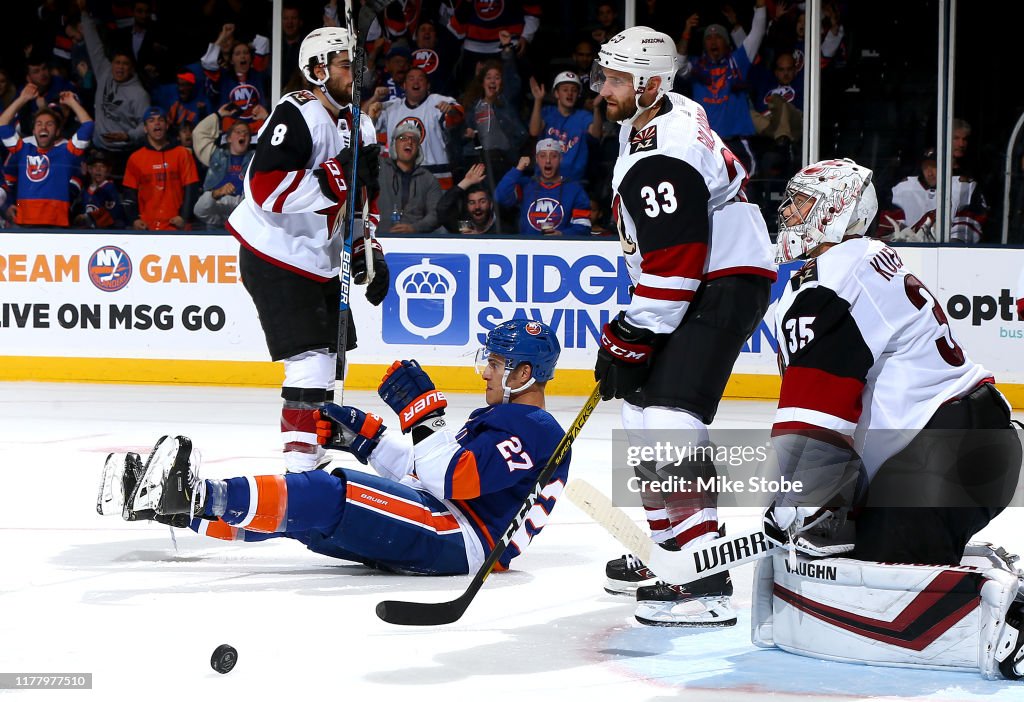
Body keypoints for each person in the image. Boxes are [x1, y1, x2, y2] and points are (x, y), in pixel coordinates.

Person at [755, 157, 1024, 681]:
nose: (787, 211)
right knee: (854, 559)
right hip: (968, 445)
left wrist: (790, 505)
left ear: (835, 211)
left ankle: (1012, 614)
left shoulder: (831, 283)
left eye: (802, 201)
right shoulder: (859, 264)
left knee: (881, 597)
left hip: (941, 457)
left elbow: (816, 418)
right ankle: (991, 580)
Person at [99, 319, 571, 578]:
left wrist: (424, 414)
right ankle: (174, 509)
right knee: (302, 514)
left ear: (523, 373)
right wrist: (369, 439)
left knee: (324, 493)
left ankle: (197, 495)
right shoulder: (513, 421)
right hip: (446, 523)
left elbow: (453, 479)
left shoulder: (536, 426)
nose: (484, 371)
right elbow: (426, 473)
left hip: (459, 539)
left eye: (494, 362)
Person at [591, 26, 777, 626]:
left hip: (720, 280)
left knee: (670, 419)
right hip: (708, 275)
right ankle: (669, 554)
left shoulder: (660, 151)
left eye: (617, 78)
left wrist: (632, 331)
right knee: (639, 412)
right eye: (606, 76)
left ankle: (704, 577)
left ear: (649, 81)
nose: (604, 89)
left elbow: (676, 261)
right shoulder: (663, 112)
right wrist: (634, 334)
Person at [225, 26, 389, 474]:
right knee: (312, 360)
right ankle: (300, 465)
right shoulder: (295, 114)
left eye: (358, 64)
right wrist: (336, 175)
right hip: (274, 252)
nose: (356, 73)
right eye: (345, 65)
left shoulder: (363, 125)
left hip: (318, 256)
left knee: (331, 360)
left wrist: (364, 246)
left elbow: (365, 196)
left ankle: (311, 450)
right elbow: (264, 189)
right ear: (317, 71)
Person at [678, 0, 767, 175]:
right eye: (709, 38)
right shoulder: (696, 67)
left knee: (746, 190)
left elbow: (757, 32)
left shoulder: (738, 61)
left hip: (737, 144)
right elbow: (679, 64)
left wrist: (761, 6)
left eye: (718, 37)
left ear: (726, 42)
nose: (713, 41)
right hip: (706, 144)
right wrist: (687, 30)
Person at [0, 85, 93, 228]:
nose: (43, 127)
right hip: (24, 223)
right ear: (34, 130)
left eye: (49, 124)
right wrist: (22, 98)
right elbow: (2, 124)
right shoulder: (22, 149)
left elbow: (88, 126)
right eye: (39, 124)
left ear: (57, 132)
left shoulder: (67, 151)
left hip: (57, 224)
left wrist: (72, 102)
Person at [78, 5, 151, 158]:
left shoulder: (139, 94)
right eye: (117, 62)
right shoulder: (104, 72)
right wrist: (84, 12)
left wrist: (128, 136)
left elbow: (147, 124)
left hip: (125, 152)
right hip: (99, 148)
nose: (120, 67)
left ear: (132, 68)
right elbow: (93, 44)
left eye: (125, 64)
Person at [375, 66, 464, 190]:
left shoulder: (438, 101)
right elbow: (363, 123)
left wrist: (451, 111)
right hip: (400, 177)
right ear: (404, 86)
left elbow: (457, 118)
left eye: (420, 79)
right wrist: (374, 99)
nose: (416, 82)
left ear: (428, 85)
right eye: (411, 79)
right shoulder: (392, 108)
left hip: (436, 176)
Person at [877, 148, 988, 244]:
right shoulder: (902, 188)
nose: (930, 173)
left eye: (934, 166)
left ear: (947, 166)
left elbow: (972, 221)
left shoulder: (964, 187)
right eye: (926, 167)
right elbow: (888, 227)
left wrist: (954, 242)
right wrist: (900, 240)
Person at [122, 106, 200, 230]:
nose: (157, 123)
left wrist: (184, 217)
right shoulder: (135, 158)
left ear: (167, 125)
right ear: (145, 128)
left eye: (161, 120)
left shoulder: (182, 153)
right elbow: (129, 193)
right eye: (151, 120)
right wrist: (134, 220)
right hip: (147, 227)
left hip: (176, 226)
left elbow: (191, 188)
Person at [494, 139, 591, 236]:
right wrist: (518, 169)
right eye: (543, 156)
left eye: (553, 156)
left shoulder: (574, 190)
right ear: (536, 159)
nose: (548, 161)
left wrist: (562, 235)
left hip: (560, 249)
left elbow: (584, 226)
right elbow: (500, 196)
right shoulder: (526, 185)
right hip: (528, 248)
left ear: (560, 158)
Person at [528, 71, 602, 184]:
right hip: (543, 180)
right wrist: (538, 100)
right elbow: (534, 131)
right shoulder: (547, 112)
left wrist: (596, 109)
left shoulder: (583, 116)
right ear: (556, 93)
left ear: (578, 95)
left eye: (574, 90)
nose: (570, 93)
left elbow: (596, 133)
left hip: (574, 181)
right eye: (565, 90)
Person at [376, 121, 443, 234]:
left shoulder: (428, 179)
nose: (409, 142)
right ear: (393, 145)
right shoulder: (378, 168)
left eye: (414, 140)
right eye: (403, 138)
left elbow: (436, 214)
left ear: (418, 149)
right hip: (379, 239)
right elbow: (359, 152)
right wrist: (371, 119)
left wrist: (414, 228)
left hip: (414, 242)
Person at [192, 116, 253, 228]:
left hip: (243, 205)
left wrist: (266, 117)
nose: (242, 135)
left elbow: (276, 148)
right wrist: (218, 115)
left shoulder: (256, 158)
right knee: (200, 207)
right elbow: (198, 134)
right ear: (229, 138)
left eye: (246, 133)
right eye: (238, 132)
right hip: (217, 203)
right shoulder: (216, 155)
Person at [437, 162, 502, 234]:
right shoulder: (465, 226)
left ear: (491, 204)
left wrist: (479, 239)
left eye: (482, 201)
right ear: (467, 206)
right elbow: (442, 209)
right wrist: (466, 182)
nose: (477, 207)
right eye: (472, 202)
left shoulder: (500, 226)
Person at [72, 149, 127, 229]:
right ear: (89, 169)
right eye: (95, 166)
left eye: (102, 166)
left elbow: (112, 215)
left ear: (108, 170)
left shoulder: (111, 190)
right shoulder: (84, 191)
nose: (98, 170)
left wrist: (87, 217)